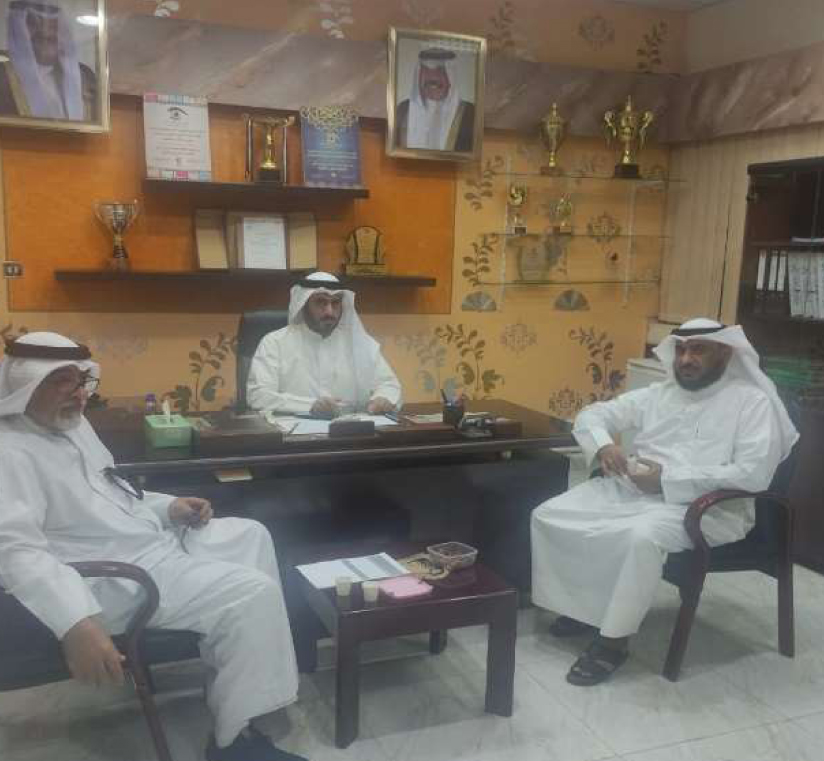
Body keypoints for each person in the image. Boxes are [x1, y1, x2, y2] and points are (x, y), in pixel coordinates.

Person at [0, 332, 308, 761]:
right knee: (252, 594)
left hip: (144, 544)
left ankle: (240, 683)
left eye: (82, 380)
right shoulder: (10, 451)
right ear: (25, 384)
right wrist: (75, 622)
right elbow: (16, 552)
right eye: (62, 381)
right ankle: (232, 743)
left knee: (251, 533)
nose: (79, 393)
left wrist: (168, 508)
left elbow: (116, 493)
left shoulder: (72, 425)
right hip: (111, 579)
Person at [531, 318, 798, 686]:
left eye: (698, 350)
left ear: (724, 353)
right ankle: (583, 610)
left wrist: (667, 480)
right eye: (681, 350)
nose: (686, 359)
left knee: (640, 537)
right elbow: (593, 414)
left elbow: (752, 474)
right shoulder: (660, 393)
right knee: (550, 514)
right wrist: (604, 445)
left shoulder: (751, 403)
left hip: (708, 510)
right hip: (636, 492)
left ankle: (613, 642)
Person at [247, 271, 402, 418]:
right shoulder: (275, 342)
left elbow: (389, 385)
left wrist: (383, 398)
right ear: (304, 304)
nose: (330, 312)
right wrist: (309, 405)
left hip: (351, 431)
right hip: (292, 432)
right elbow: (258, 395)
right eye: (321, 302)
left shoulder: (361, 344)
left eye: (336, 303)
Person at [0, 1, 96, 120]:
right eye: (33, 23)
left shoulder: (85, 76)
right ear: (18, 29)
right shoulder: (2, 76)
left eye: (53, 25)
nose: (46, 33)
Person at [395, 47, 475, 152]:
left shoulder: (470, 114)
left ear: (451, 76)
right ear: (419, 75)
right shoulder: (402, 110)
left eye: (440, 70)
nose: (432, 77)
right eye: (425, 70)